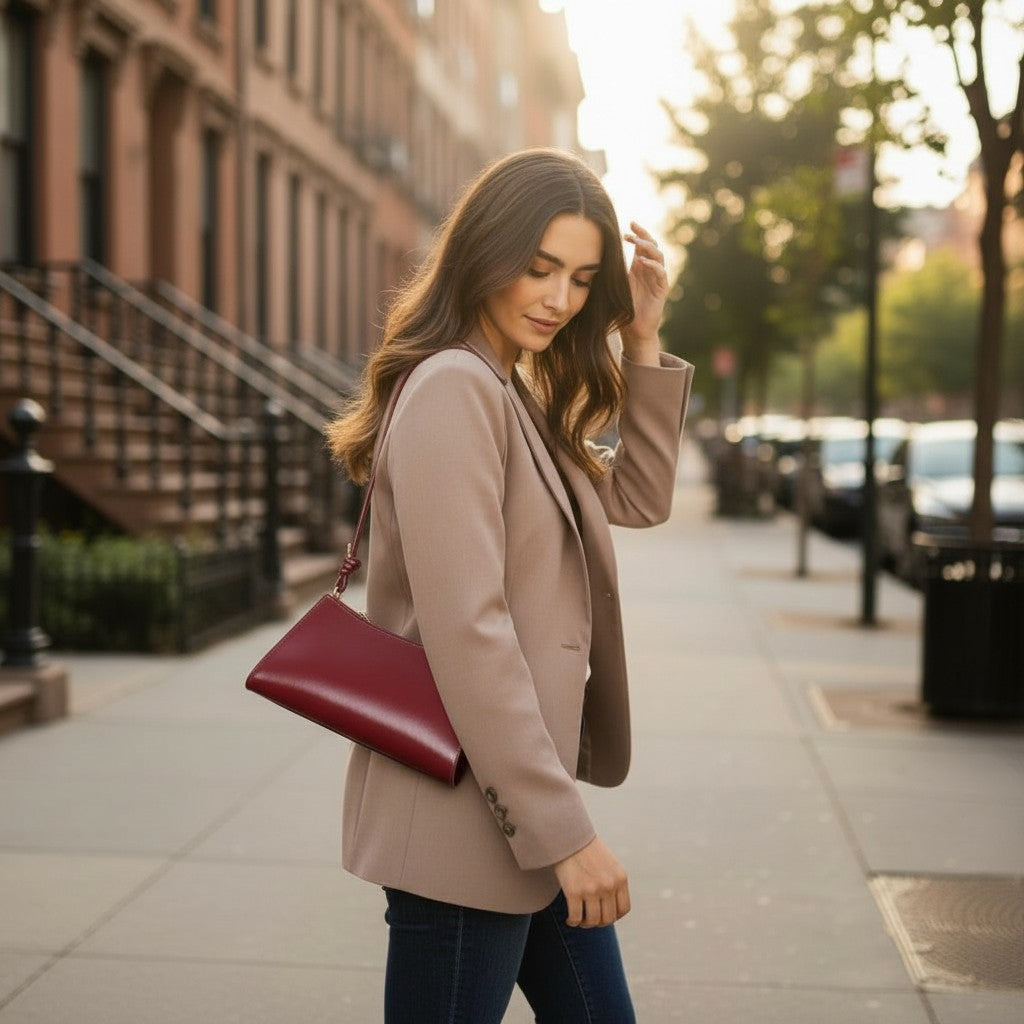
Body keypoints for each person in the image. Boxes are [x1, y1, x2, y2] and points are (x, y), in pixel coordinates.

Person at [326, 148, 693, 1023]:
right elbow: (470, 633)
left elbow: (635, 497)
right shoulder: (456, 386)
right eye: (538, 270)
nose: (558, 299)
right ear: (485, 253)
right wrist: (567, 835)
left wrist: (641, 339)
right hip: (468, 827)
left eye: (579, 278)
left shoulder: (508, 387)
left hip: (517, 817)